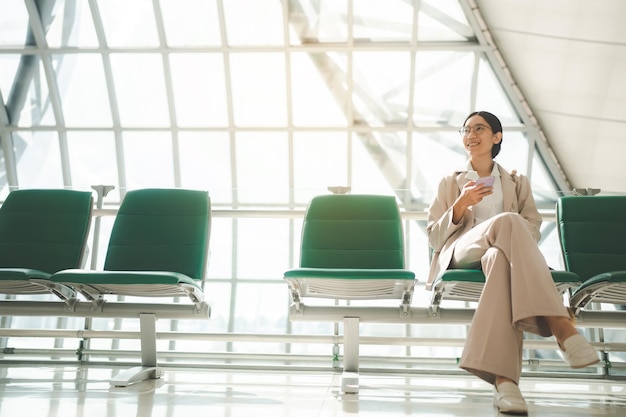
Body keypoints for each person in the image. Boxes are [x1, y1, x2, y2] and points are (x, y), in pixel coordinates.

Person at [426, 111, 599, 415]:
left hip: (500, 253)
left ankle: (506, 385)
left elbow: (531, 229)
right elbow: (434, 239)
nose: (471, 135)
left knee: (501, 257)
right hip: (463, 252)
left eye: (479, 128)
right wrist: (460, 205)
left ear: (497, 136)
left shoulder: (517, 182)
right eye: (466, 130)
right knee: (508, 221)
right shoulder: (449, 182)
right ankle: (561, 325)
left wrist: (511, 230)